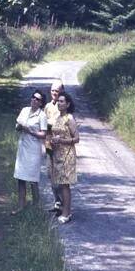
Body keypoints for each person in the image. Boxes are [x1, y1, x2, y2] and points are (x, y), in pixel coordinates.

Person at [12, 88, 48, 214]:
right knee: (20, 178)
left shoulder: (42, 115)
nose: (34, 100)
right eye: (33, 97)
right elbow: (17, 125)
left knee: (33, 180)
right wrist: (19, 127)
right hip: (23, 148)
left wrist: (31, 131)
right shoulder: (24, 110)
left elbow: (44, 134)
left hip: (33, 150)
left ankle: (35, 207)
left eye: (37, 99)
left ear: (41, 103)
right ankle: (21, 206)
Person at [50, 91, 79, 224]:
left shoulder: (69, 118)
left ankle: (67, 213)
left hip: (67, 154)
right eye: (59, 101)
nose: (60, 103)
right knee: (60, 184)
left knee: (65, 184)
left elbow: (76, 138)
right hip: (57, 154)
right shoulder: (58, 118)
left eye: (62, 101)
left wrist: (61, 141)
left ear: (67, 104)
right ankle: (64, 210)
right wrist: (52, 141)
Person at [44, 80, 64, 211]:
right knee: (49, 173)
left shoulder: (64, 105)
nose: (54, 93)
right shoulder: (47, 106)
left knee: (59, 174)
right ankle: (57, 201)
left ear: (62, 91)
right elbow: (43, 124)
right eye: (53, 90)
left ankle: (63, 203)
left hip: (60, 145)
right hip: (48, 143)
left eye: (57, 90)